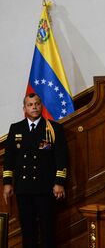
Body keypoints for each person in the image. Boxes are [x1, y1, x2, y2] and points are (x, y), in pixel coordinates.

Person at [3, 93, 68, 248]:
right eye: (30, 105)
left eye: (37, 104)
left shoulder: (53, 128)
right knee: (28, 230)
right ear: (24, 108)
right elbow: (9, 159)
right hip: (23, 188)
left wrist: (59, 182)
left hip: (45, 188)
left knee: (48, 230)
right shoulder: (16, 128)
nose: (34, 107)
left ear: (41, 106)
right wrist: (7, 183)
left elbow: (61, 158)